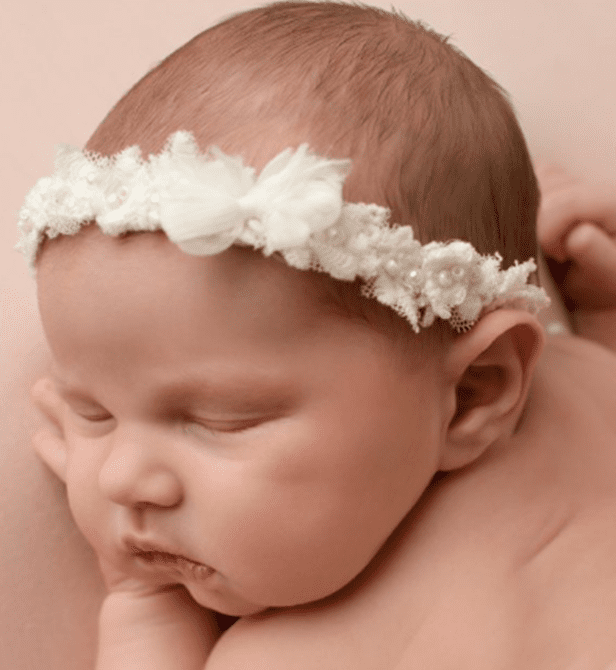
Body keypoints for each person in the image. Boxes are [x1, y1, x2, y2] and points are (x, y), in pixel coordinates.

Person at [15, 2, 616, 668]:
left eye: (222, 419)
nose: (123, 479)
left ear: (477, 392)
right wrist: (600, 310)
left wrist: (144, 613)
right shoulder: (589, 375)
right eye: (91, 412)